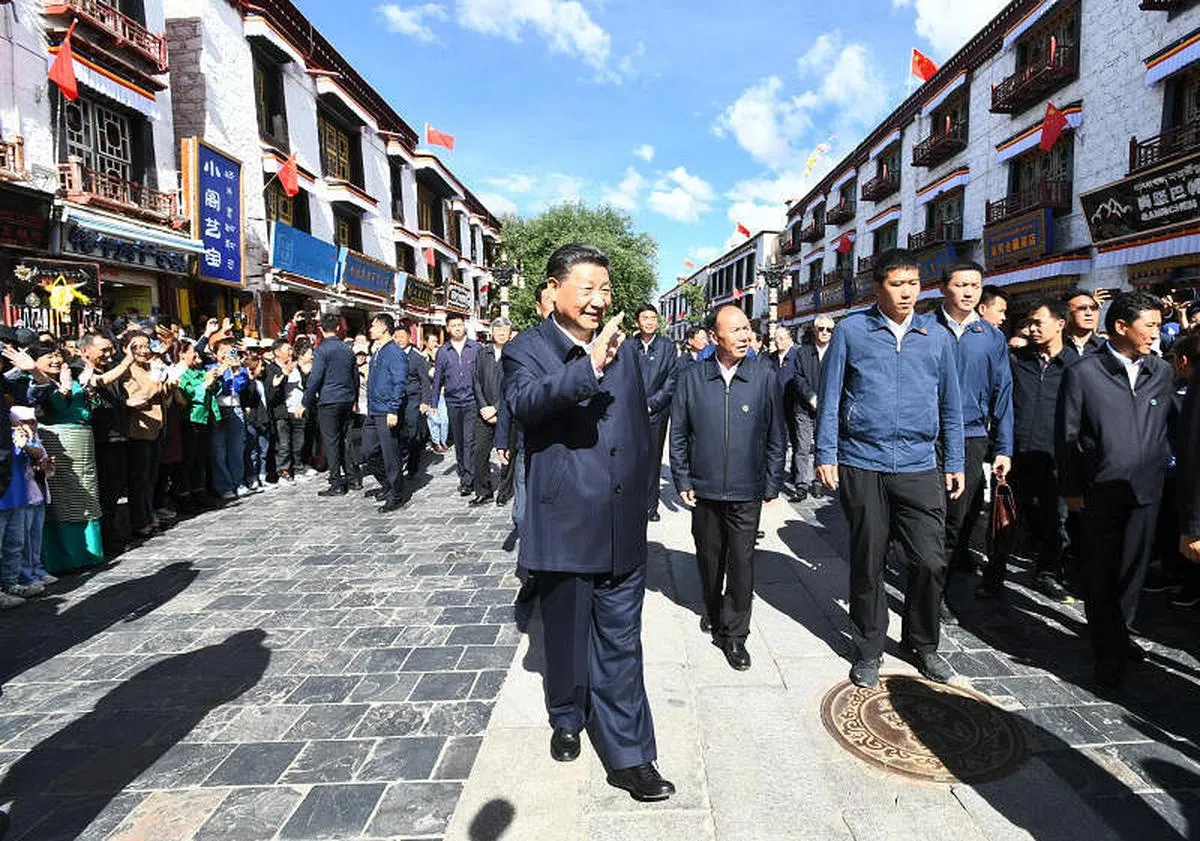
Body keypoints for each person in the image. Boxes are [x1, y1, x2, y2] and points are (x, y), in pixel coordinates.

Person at [502, 243, 674, 801]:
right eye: (588, 289)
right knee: (570, 639)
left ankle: (631, 757)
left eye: (606, 289)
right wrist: (587, 366)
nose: (600, 300)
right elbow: (525, 403)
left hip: (622, 524)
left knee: (623, 643)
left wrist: (644, 499)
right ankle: (566, 715)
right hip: (567, 523)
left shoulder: (622, 349)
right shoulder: (527, 348)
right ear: (555, 288)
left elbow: (635, 426)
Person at [815, 249, 965, 689]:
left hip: (919, 465)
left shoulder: (935, 336)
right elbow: (833, 398)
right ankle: (868, 647)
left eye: (913, 284)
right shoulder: (851, 331)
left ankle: (922, 642)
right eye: (897, 284)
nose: (906, 293)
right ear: (877, 287)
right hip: (863, 462)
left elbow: (951, 405)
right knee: (868, 561)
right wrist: (827, 454)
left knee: (930, 560)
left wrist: (953, 460)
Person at [1057, 292, 1173, 688]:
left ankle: (1122, 631)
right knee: (1101, 572)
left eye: (1159, 325)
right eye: (1150, 325)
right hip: (1098, 491)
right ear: (1122, 326)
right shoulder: (1085, 373)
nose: (1156, 333)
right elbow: (1067, 436)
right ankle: (1106, 650)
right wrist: (1071, 488)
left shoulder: (1161, 371)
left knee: (1133, 571)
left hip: (1146, 491)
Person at [670, 304, 786, 670]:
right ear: (715, 337)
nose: (744, 335)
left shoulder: (765, 375)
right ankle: (713, 607)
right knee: (708, 558)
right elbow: (679, 433)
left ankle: (735, 634)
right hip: (703, 489)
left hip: (746, 488)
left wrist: (771, 480)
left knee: (741, 561)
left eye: (746, 329)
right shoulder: (691, 377)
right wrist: (683, 478)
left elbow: (776, 435)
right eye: (735, 330)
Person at [933, 263, 1013, 622]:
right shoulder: (923, 328)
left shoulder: (991, 336)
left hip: (970, 437)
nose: (968, 292)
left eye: (975, 286)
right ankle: (925, 585)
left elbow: (1003, 394)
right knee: (924, 518)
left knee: (958, 519)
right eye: (960, 284)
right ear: (942, 288)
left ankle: (938, 592)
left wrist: (1004, 448)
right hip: (925, 436)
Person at [980, 298, 1073, 602]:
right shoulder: (1016, 360)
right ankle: (993, 575)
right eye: (1029, 323)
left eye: (1038, 322)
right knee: (1003, 519)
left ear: (1060, 324)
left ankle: (1048, 572)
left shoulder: (1076, 366)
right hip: (1013, 456)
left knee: (1054, 521)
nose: (1031, 328)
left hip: (1054, 459)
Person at [38, 345, 104, 572]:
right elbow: (55, 407)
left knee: (86, 494)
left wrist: (89, 391)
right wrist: (64, 389)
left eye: (57, 355)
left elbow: (88, 406)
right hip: (57, 441)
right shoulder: (37, 385)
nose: (56, 360)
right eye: (49, 356)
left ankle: (91, 553)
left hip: (83, 440)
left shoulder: (71, 376)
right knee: (62, 497)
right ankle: (64, 556)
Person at [303, 314, 361, 497]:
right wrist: (355, 400)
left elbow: (315, 377)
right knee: (345, 439)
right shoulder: (347, 349)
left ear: (321, 329)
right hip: (346, 399)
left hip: (329, 400)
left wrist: (305, 401)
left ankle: (336, 482)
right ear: (338, 328)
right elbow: (355, 377)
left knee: (331, 441)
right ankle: (353, 478)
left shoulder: (321, 350)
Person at [633, 304, 678, 522]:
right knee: (632, 460)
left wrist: (652, 404)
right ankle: (633, 502)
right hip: (630, 414)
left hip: (656, 413)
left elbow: (671, 380)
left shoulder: (667, 347)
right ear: (637, 322)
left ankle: (651, 505)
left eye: (653, 317)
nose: (649, 321)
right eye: (645, 317)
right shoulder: (628, 346)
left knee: (652, 460)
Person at [360, 313, 409, 513]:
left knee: (390, 455)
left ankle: (395, 493)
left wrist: (393, 409)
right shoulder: (378, 351)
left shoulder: (394, 353)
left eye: (374, 325)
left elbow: (399, 383)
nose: (371, 329)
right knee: (368, 451)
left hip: (387, 410)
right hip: (373, 409)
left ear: (384, 328)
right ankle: (387, 483)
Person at [431, 314, 481, 497]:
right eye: (454, 325)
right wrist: (433, 401)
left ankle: (469, 479)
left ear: (464, 326)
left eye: (460, 324)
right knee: (459, 442)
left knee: (470, 441)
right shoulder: (443, 351)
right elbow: (437, 378)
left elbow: (482, 375)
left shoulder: (476, 348)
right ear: (448, 328)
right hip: (452, 401)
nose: (458, 328)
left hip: (471, 401)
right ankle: (464, 472)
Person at [470, 317, 511, 506]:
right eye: (498, 330)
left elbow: (513, 386)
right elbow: (476, 381)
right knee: (479, 452)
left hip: (506, 412)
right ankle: (483, 490)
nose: (502, 333)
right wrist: (484, 407)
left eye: (505, 330)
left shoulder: (514, 354)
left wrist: (496, 408)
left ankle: (504, 491)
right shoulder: (482, 353)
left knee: (505, 453)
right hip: (483, 411)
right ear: (492, 333)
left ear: (510, 333)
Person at [793, 315, 834, 500]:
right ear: (815, 330)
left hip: (827, 409)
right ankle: (801, 484)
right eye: (821, 329)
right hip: (804, 408)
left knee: (821, 446)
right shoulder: (803, 352)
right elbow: (798, 378)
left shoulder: (836, 352)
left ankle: (818, 483)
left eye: (829, 330)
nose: (825, 332)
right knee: (802, 448)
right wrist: (810, 397)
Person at [210, 342, 251, 502]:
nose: (227, 355)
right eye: (223, 351)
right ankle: (224, 486)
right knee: (219, 450)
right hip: (219, 408)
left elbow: (239, 386)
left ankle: (238, 482)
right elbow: (215, 386)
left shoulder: (238, 369)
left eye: (230, 351)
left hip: (235, 407)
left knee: (236, 449)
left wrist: (235, 369)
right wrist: (222, 369)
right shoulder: (212, 368)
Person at [394, 323, 431, 479]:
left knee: (412, 431)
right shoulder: (393, 355)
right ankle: (399, 461)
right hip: (396, 400)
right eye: (396, 337)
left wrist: (425, 401)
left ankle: (413, 466)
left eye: (402, 337)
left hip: (413, 399)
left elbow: (425, 381)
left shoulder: (417, 358)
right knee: (398, 432)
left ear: (409, 337)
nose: (399, 340)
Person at [769, 325, 802, 501]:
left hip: (795, 406)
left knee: (798, 443)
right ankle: (777, 475)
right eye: (776, 338)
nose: (778, 341)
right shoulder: (771, 358)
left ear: (790, 338)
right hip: (777, 406)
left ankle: (798, 476)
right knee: (778, 443)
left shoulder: (797, 355)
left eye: (781, 337)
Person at [264, 340, 302, 481]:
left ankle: (297, 467)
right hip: (280, 411)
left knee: (297, 441)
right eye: (287, 349)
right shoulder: (271, 369)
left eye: (291, 349)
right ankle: (283, 471)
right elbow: (272, 391)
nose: (290, 352)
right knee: (283, 443)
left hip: (294, 408)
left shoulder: (293, 366)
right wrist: (284, 374)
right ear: (277, 352)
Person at [1061, 288, 1106, 363]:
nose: (1089, 313)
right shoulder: (1055, 347)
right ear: (1067, 314)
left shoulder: (1106, 348)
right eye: (1082, 308)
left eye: (1093, 308)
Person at [423, 333, 449, 454]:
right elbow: (428, 375)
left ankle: (443, 441)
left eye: (436, 341)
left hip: (442, 393)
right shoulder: (423, 358)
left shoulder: (441, 357)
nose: (435, 344)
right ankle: (436, 441)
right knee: (434, 419)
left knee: (444, 420)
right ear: (426, 342)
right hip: (430, 393)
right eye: (433, 341)